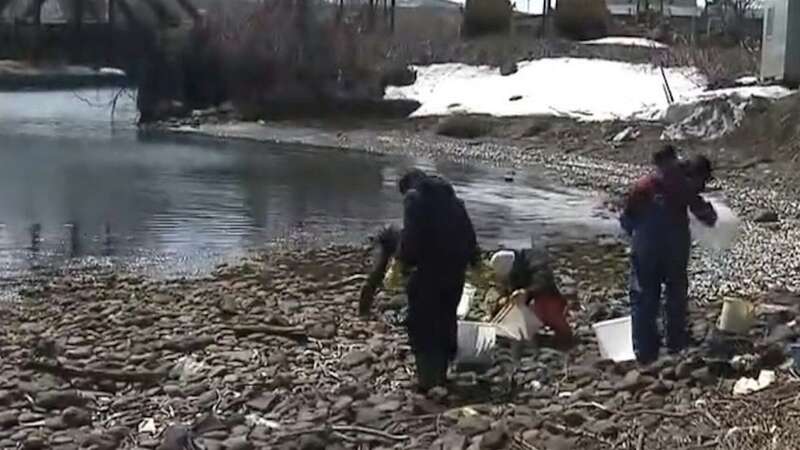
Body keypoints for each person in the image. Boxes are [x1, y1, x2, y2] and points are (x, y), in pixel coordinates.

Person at [620, 146, 717, 364]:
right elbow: (706, 215)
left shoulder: (645, 184)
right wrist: (709, 214)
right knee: (675, 295)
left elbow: (626, 219)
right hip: (674, 248)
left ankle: (645, 352)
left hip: (646, 247)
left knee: (644, 297)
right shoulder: (683, 185)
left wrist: (636, 234)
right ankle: (675, 343)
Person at [395, 169, 479, 392]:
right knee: (445, 321)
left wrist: (402, 262)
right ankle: (440, 375)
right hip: (455, 273)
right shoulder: (455, 202)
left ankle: (427, 380)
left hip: (428, 272)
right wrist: (475, 262)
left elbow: (411, 236)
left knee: (421, 324)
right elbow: (470, 236)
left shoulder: (414, 199)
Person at [489, 248, 574, 349]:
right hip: (527, 302)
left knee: (543, 305)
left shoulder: (534, 262)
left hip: (547, 298)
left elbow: (543, 282)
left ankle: (564, 335)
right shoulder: (513, 272)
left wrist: (527, 292)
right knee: (506, 303)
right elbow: (506, 292)